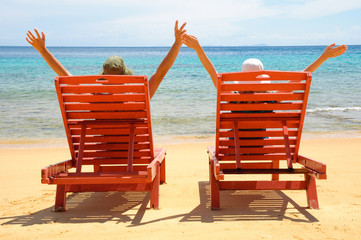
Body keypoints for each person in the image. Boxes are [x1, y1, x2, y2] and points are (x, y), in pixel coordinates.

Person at [26, 20, 187, 99]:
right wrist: (177, 43)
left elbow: (66, 76)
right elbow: (160, 74)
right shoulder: (136, 97)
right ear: (125, 77)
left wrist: (43, 50)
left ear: (103, 76)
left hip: (102, 149)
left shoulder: (94, 97)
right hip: (134, 151)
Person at [181, 34, 348, 88]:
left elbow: (212, 72)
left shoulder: (231, 95)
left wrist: (198, 48)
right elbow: (299, 77)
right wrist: (323, 57)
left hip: (234, 148)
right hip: (264, 145)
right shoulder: (273, 98)